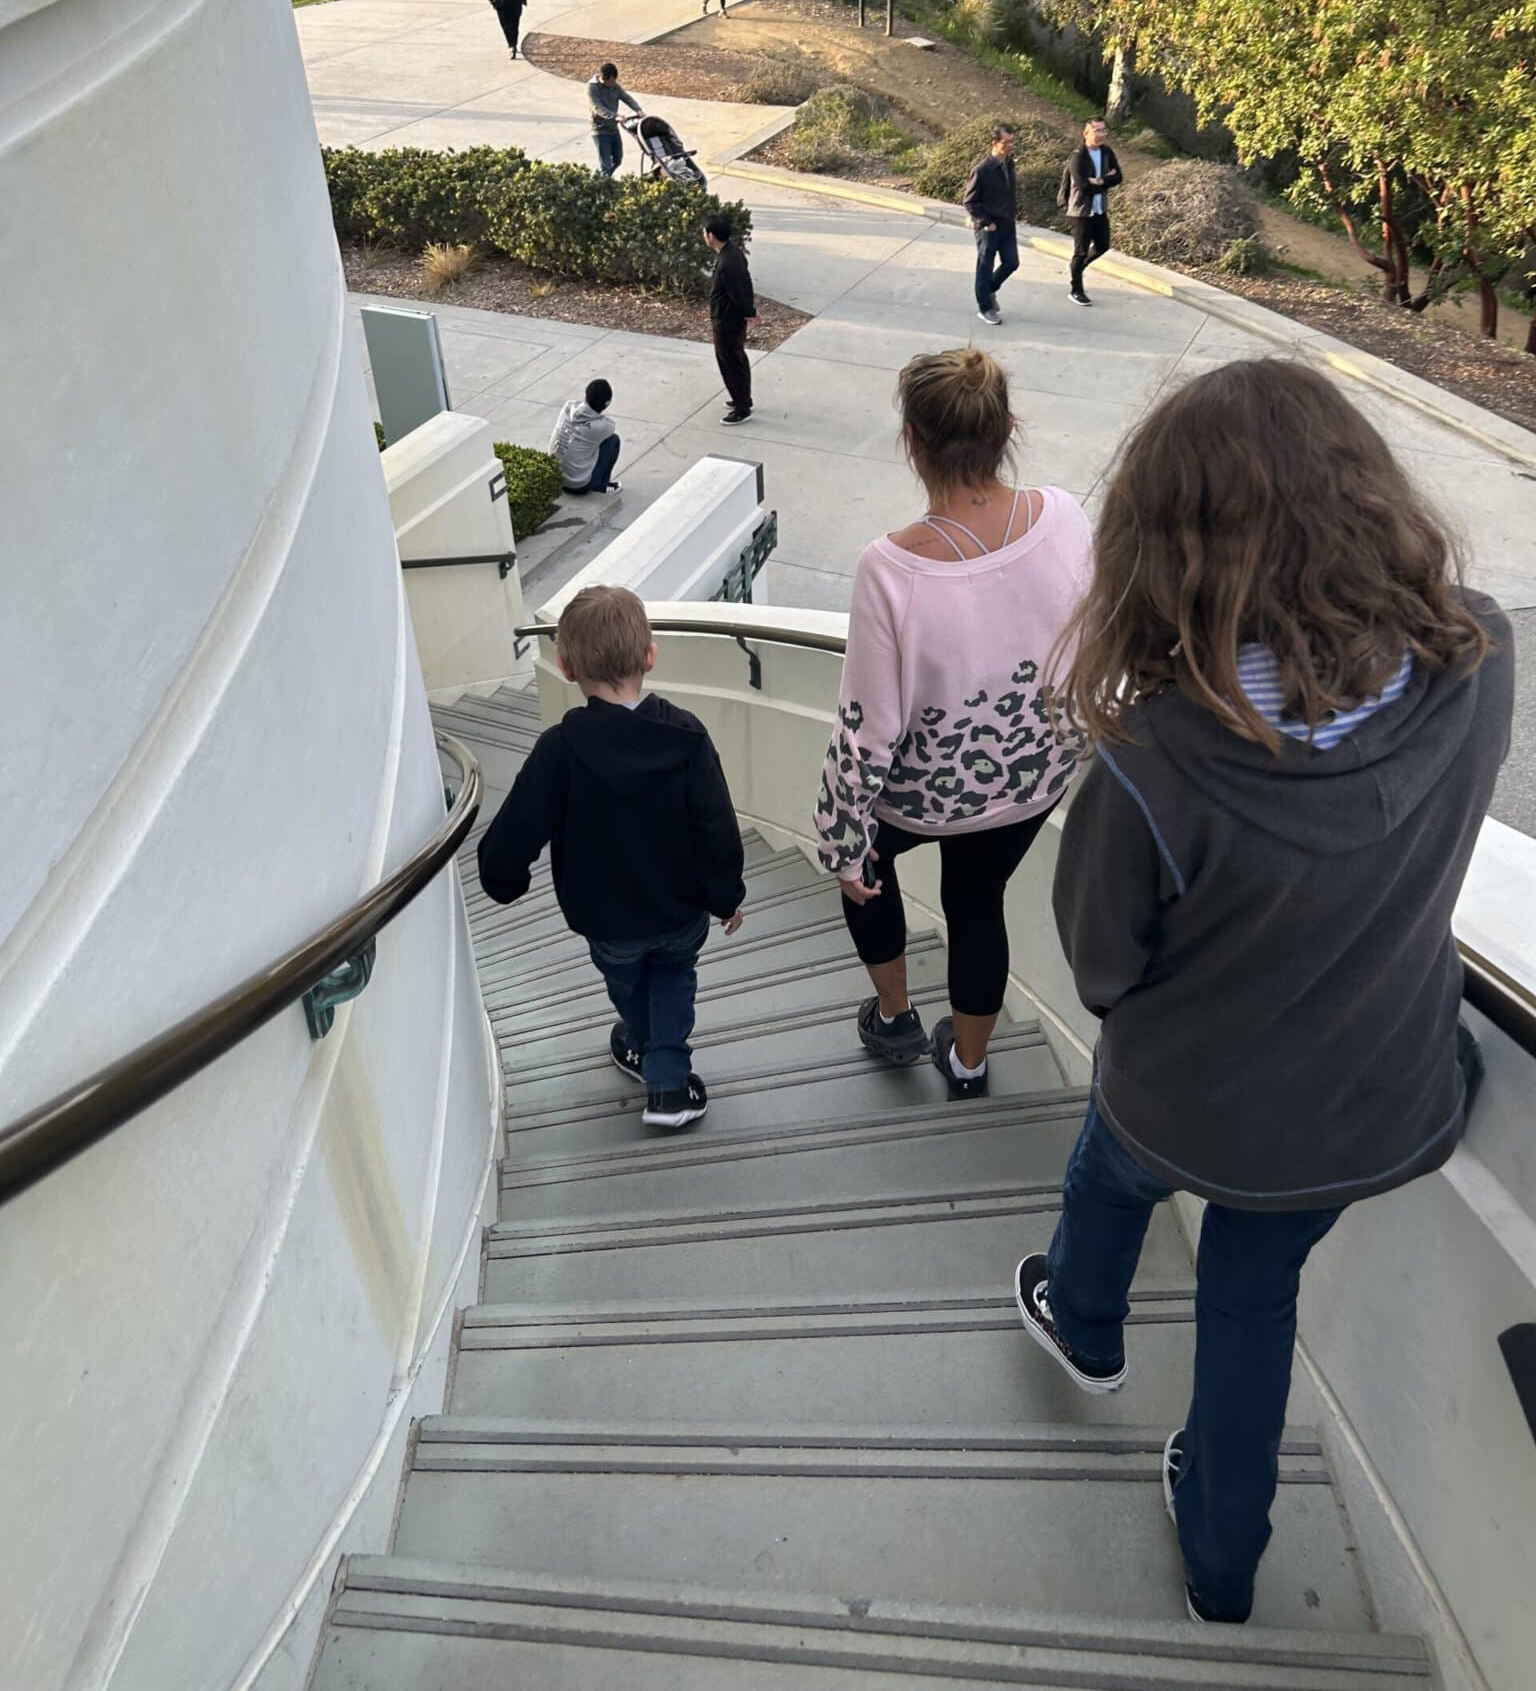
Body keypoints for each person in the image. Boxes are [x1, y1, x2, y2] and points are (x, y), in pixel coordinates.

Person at [1014, 359, 1512, 1624]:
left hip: (1183, 1097)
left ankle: (1083, 1321)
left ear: (1162, 550)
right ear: (1366, 499)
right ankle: (1224, 1561)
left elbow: (1101, 969)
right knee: (1253, 1294)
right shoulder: (1483, 652)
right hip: (1368, 1100)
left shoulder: (1153, 764)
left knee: (1107, 1168)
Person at [815, 348, 1092, 1097]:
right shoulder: (1064, 516)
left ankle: (895, 1016)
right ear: (1007, 428)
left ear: (912, 439)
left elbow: (868, 729)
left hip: (923, 794)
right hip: (1033, 779)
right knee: (977, 902)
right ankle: (968, 1064)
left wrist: (842, 840)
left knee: (866, 865)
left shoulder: (892, 568)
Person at [478, 586, 746, 1130]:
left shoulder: (558, 751)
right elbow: (715, 826)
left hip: (606, 921)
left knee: (626, 983)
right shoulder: (686, 737)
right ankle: (668, 1082)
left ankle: (644, 1044)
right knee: (673, 976)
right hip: (679, 913)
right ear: (650, 655)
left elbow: (516, 830)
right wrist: (726, 897)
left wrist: (503, 877)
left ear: (566, 666)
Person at [1057, 117, 1123, 307]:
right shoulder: (1078, 156)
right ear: (1086, 133)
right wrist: (1103, 181)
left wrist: (1099, 181)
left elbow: (1118, 177)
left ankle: (1076, 269)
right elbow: (1083, 187)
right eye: (1097, 131)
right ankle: (1076, 289)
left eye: (1104, 131)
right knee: (1080, 251)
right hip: (1080, 211)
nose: (1102, 135)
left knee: (1103, 245)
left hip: (1099, 209)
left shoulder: (1106, 152)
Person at [963, 123, 1019, 326]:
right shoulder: (983, 170)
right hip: (989, 228)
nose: (1011, 146)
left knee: (1012, 262)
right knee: (985, 266)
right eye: (1006, 142)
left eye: (1013, 141)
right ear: (994, 143)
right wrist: (985, 222)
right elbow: (969, 201)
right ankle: (985, 307)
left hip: (1007, 224)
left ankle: (989, 289)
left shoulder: (1009, 164)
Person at [704, 213, 757, 425]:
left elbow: (737, 292)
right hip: (730, 320)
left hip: (727, 322)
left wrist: (749, 311)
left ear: (711, 235)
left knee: (730, 363)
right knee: (736, 360)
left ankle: (742, 409)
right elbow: (745, 285)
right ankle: (742, 399)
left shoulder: (727, 263)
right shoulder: (733, 254)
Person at [549, 379, 622, 495]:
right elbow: (609, 427)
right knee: (613, 441)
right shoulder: (603, 427)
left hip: (555, 476)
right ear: (607, 404)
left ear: (586, 396)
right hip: (578, 485)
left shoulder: (568, 406)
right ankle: (602, 486)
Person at [588, 61, 639, 176]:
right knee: (606, 164)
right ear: (603, 78)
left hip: (613, 129)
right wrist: (615, 116)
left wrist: (638, 110)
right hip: (600, 131)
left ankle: (602, 180)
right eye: (611, 82)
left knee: (618, 159)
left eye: (614, 81)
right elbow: (597, 108)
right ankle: (604, 185)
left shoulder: (614, 86)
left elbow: (626, 97)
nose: (613, 84)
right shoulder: (592, 87)